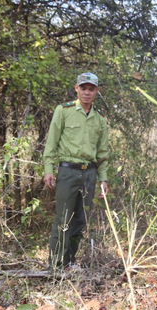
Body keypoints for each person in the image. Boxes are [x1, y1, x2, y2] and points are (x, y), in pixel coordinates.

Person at [43, 72, 110, 269]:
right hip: (68, 172)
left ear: (96, 91)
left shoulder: (100, 118)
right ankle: (55, 265)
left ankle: (70, 262)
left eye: (91, 89)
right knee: (63, 219)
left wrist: (103, 179)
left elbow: (103, 152)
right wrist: (49, 169)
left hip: (89, 173)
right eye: (83, 88)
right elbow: (51, 143)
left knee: (80, 220)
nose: (87, 93)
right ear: (76, 89)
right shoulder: (63, 111)